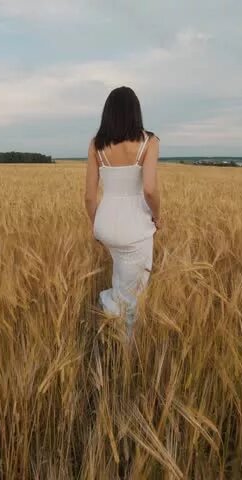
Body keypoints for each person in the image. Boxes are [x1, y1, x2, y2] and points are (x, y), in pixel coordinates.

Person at [84, 86, 160, 337]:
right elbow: (149, 190)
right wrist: (157, 217)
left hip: (106, 224)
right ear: (135, 112)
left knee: (121, 276)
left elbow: (89, 196)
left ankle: (108, 313)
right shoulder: (149, 142)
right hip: (135, 227)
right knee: (134, 296)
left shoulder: (96, 145)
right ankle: (125, 346)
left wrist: (97, 225)